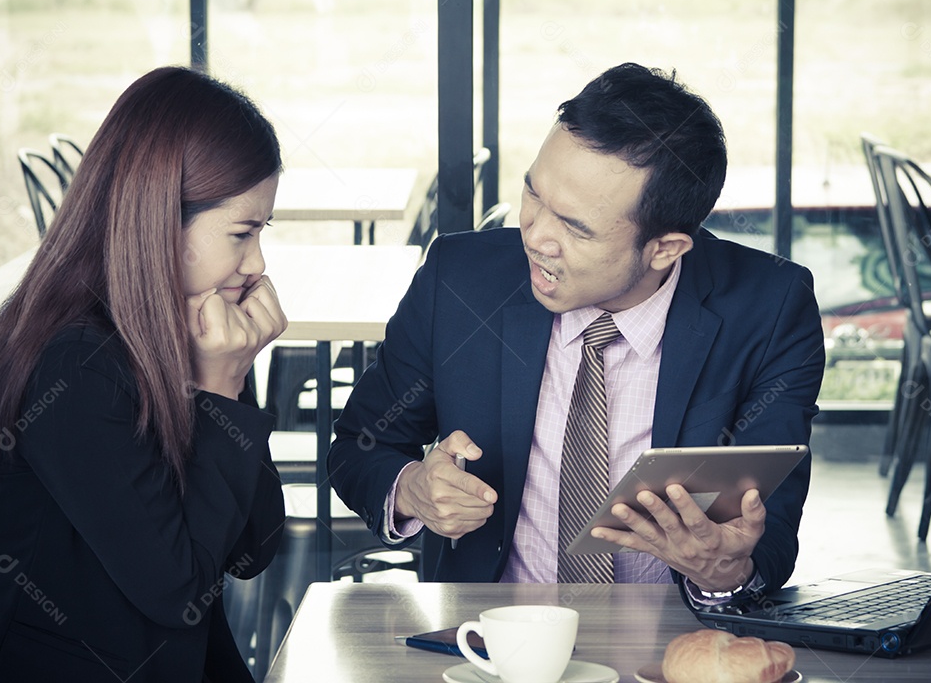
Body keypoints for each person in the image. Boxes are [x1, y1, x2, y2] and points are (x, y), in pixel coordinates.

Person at [330, 62, 824, 597]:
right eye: (534, 195)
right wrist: (412, 490)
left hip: (677, 634)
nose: (536, 237)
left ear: (665, 248)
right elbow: (361, 446)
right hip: (492, 628)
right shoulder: (461, 279)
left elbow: (769, 533)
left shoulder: (771, 308)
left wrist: (723, 571)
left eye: (575, 227)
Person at [0, 67, 288, 682]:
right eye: (242, 234)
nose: (257, 263)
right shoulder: (74, 364)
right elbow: (177, 590)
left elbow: (252, 550)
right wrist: (221, 391)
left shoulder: (183, 333)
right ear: (160, 219)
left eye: (261, 231)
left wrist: (229, 378)